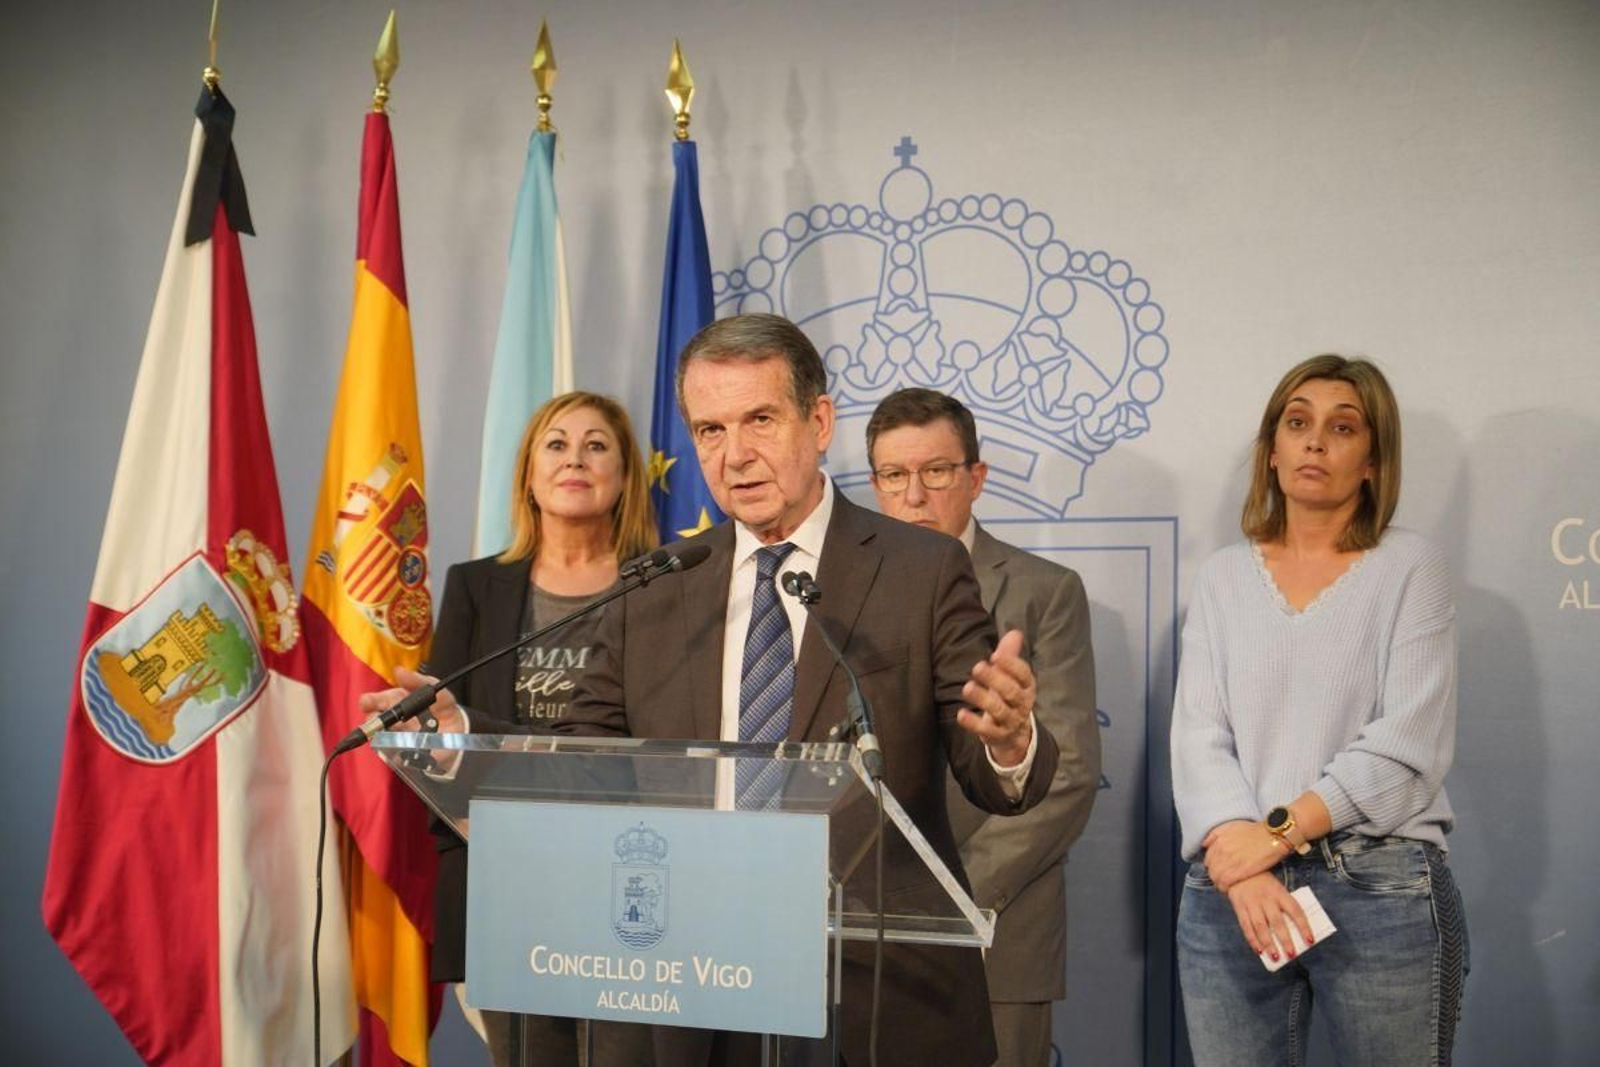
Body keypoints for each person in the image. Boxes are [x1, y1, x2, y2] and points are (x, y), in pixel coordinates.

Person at [560, 313, 1061, 1066]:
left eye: (760, 419)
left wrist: (1010, 739)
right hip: (692, 982)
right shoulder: (654, 586)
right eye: (710, 430)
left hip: (873, 989)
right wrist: (459, 741)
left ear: (818, 420)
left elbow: (984, 758)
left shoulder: (920, 569)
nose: (735, 456)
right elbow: (586, 756)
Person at [1170, 355, 1468, 1066]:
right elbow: (1198, 737)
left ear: (1372, 461)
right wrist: (1241, 865)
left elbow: (1406, 747)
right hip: (1231, 890)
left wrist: (1275, 835)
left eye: (1342, 427)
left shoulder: (1409, 567)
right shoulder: (1220, 579)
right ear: (1271, 451)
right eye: (1297, 423)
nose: (1314, 442)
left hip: (1378, 884)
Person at [360, 391, 657, 1067]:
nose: (574, 459)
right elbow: (441, 732)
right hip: (503, 872)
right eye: (555, 444)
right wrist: (427, 729)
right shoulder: (474, 586)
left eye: (595, 444)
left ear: (624, 474)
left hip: (629, 873)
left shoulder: (664, 585)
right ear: (528, 472)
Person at [865, 387, 1099, 1067]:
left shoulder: (1045, 590)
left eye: (936, 471)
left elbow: (1070, 771)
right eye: (894, 475)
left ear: (976, 477)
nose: (914, 495)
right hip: (858, 935)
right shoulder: (839, 591)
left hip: (997, 929)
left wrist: (940, 896)